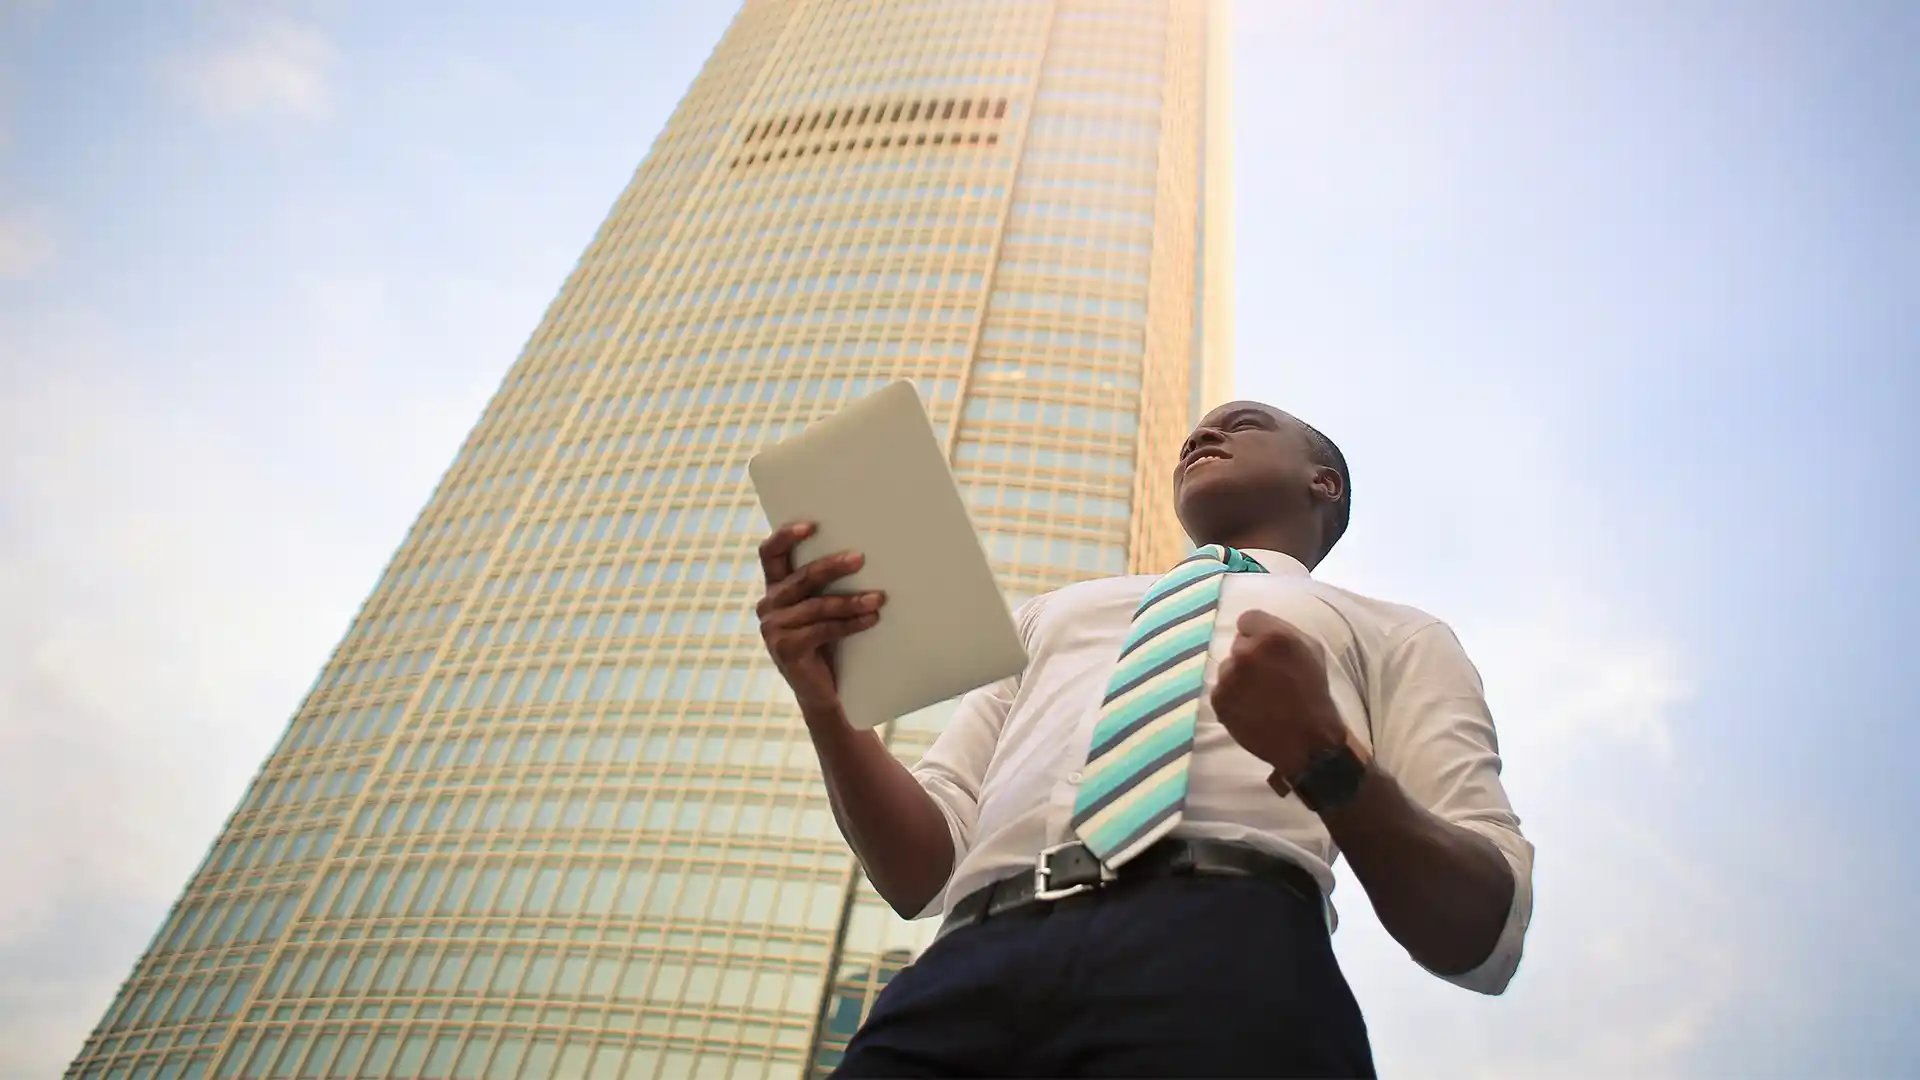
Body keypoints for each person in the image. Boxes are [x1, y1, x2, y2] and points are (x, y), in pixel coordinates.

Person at [754, 400, 1533, 1078]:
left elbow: (1479, 927)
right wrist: (828, 707)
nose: (1202, 436)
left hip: (1232, 953)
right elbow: (920, 869)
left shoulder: (1397, 634)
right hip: (966, 965)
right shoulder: (1051, 615)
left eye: (1242, 425)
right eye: (1194, 434)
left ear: (1322, 482)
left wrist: (1327, 759)